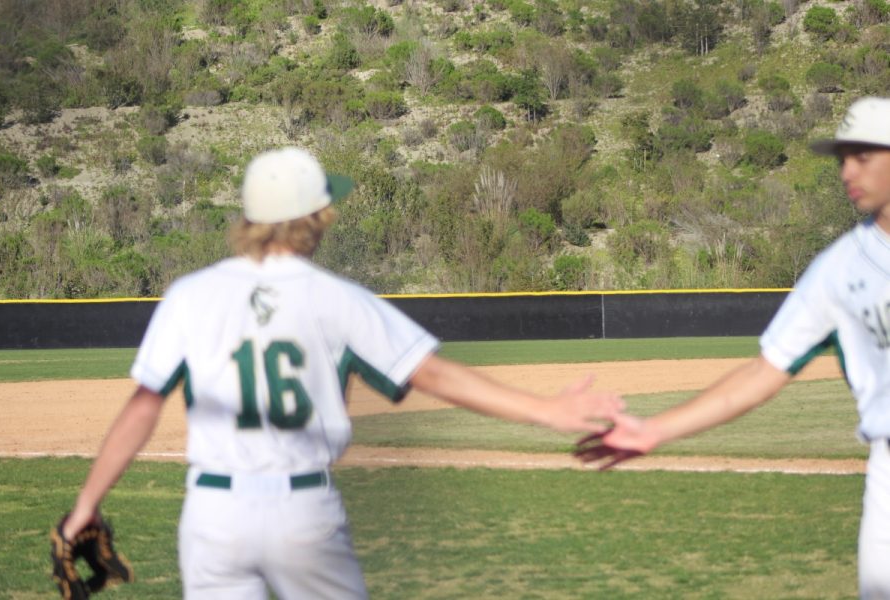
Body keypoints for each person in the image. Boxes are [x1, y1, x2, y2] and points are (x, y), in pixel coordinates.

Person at [58, 146, 623, 599]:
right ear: (314, 219)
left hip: (213, 514)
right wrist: (546, 410)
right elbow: (436, 376)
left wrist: (85, 505)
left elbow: (142, 406)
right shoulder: (339, 299)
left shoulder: (191, 295)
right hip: (302, 508)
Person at [575, 96, 890, 599]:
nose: (847, 170)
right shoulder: (837, 270)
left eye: (863, 155)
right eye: (841, 157)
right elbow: (763, 373)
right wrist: (655, 429)